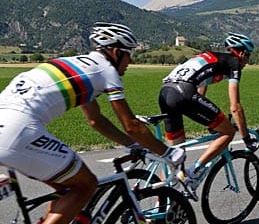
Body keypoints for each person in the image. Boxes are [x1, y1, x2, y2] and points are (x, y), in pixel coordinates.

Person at [0, 22, 184, 224]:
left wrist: (132, 145)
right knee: (86, 185)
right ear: (115, 52)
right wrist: (168, 153)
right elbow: (132, 125)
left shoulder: (76, 64)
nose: (130, 60)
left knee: (68, 189)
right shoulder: (106, 71)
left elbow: (96, 120)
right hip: (19, 129)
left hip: (8, 124)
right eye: (128, 53)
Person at [159, 32, 257, 199]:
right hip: (183, 92)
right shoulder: (234, 63)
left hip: (166, 92)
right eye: (248, 56)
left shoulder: (209, 58)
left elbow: (200, 89)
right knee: (228, 132)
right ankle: (194, 173)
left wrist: (211, 122)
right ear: (241, 53)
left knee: (175, 156)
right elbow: (235, 107)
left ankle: (161, 202)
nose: (248, 61)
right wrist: (246, 136)